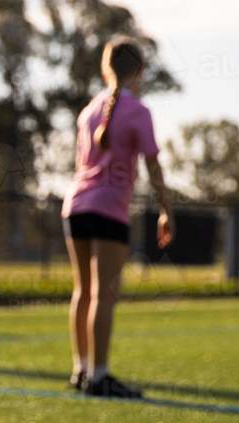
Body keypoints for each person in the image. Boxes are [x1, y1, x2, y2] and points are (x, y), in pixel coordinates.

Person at [62, 37, 175, 398]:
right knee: (105, 295)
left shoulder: (88, 111)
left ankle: (81, 370)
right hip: (107, 208)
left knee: (83, 291)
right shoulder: (138, 112)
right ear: (140, 71)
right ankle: (99, 376)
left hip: (75, 205)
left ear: (105, 67)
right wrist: (166, 210)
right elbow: (153, 164)